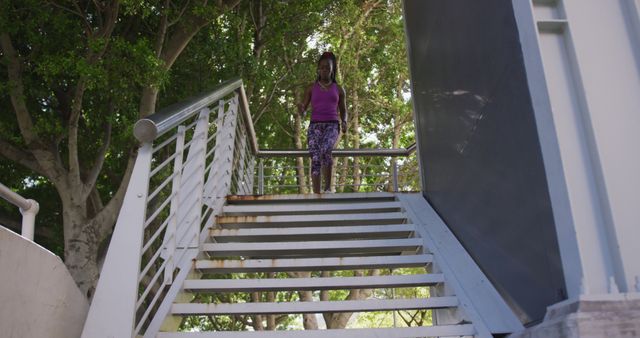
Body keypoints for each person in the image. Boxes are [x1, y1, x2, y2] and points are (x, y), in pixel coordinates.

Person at [297, 51, 348, 194]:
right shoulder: (311, 88)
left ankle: (327, 189)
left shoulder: (338, 89)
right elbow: (304, 111)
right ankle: (317, 192)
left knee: (326, 149)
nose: (324, 70)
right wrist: (301, 109)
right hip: (315, 126)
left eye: (328, 67)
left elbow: (344, 110)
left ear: (332, 71)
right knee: (314, 155)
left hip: (332, 125)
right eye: (322, 67)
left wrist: (344, 121)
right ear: (318, 69)